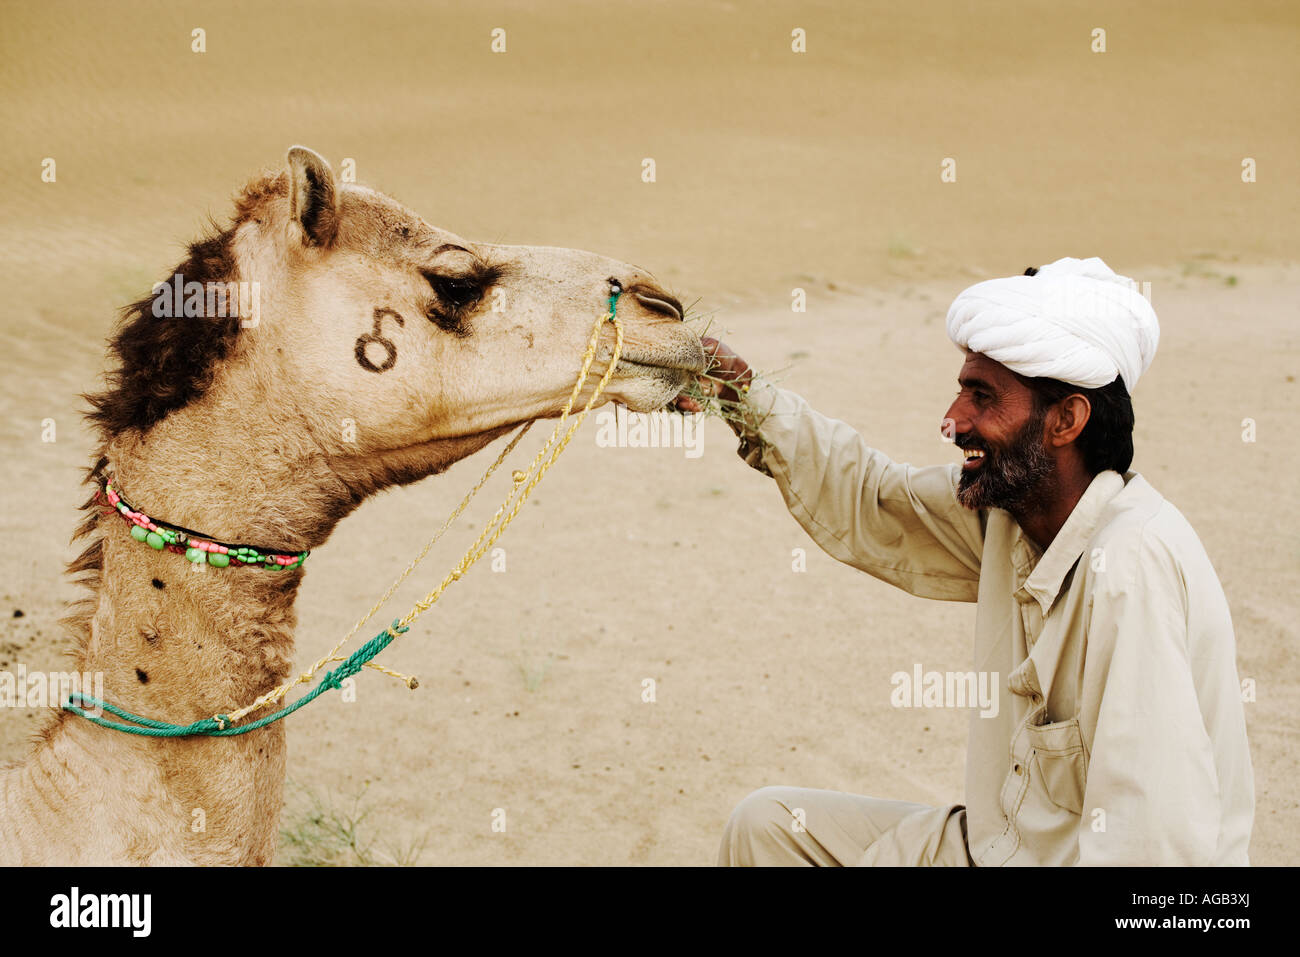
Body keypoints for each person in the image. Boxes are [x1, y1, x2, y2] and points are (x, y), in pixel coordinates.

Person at [676, 257, 1253, 866]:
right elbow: (875, 501)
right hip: (992, 847)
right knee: (768, 829)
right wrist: (740, 392)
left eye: (982, 397)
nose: (953, 422)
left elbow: (1156, 847)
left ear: (1066, 420)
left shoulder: (1131, 568)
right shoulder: (1013, 515)